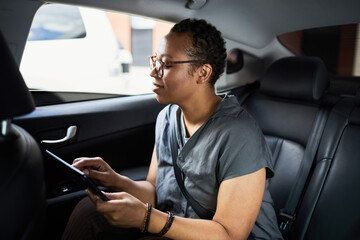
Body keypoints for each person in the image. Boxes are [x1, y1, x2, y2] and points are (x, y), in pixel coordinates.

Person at [62, 18, 283, 240]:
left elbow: (229, 234)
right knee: (89, 211)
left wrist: (145, 218)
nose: (153, 72)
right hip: (178, 227)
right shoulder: (166, 119)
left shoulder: (240, 134)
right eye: (155, 62)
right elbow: (154, 189)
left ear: (203, 73)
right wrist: (115, 181)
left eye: (166, 65)